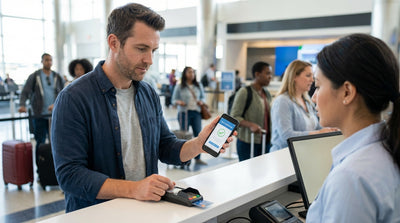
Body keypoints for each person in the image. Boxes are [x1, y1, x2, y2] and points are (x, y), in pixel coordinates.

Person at [51, 3, 236, 213]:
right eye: (141, 49)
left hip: (142, 211)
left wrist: (198, 144)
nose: (149, 60)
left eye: (153, 50)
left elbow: (165, 147)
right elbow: (70, 175)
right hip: (96, 214)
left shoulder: (147, 94)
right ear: (114, 42)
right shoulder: (74, 98)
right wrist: (134, 188)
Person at [306, 33, 400, 222]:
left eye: (317, 86)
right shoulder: (386, 149)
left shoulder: (351, 177)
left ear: (347, 92)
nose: (314, 97)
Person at [269, 60, 336, 152]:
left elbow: (316, 127)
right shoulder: (283, 101)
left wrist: (329, 130)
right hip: (283, 156)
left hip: (303, 154)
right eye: (308, 76)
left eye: (312, 76)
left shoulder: (307, 102)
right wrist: (317, 134)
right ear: (294, 77)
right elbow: (286, 135)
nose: (312, 80)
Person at [18, 53, 64, 166]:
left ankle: (54, 170)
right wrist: (22, 104)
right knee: (40, 142)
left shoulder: (57, 76)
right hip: (39, 115)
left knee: (56, 142)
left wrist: (57, 104)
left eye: (50, 60)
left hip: (54, 115)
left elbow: (64, 93)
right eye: (46, 60)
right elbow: (25, 92)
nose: (49, 62)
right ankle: (40, 170)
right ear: (42, 61)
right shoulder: (35, 76)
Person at [230, 62, 273, 161]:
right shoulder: (244, 92)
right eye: (267, 73)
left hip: (265, 142)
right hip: (248, 142)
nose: (270, 77)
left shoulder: (266, 93)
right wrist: (250, 125)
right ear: (257, 74)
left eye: (270, 74)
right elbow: (234, 117)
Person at [171, 66, 207, 165]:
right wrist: (179, 102)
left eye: (193, 72)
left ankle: (198, 158)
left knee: (199, 134)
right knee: (184, 136)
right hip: (184, 113)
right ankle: (185, 159)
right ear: (185, 74)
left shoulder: (198, 85)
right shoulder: (179, 86)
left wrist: (201, 101)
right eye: (189, 72)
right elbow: (173, 100)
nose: (192, 74)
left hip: (196, 113)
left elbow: (203, 97)